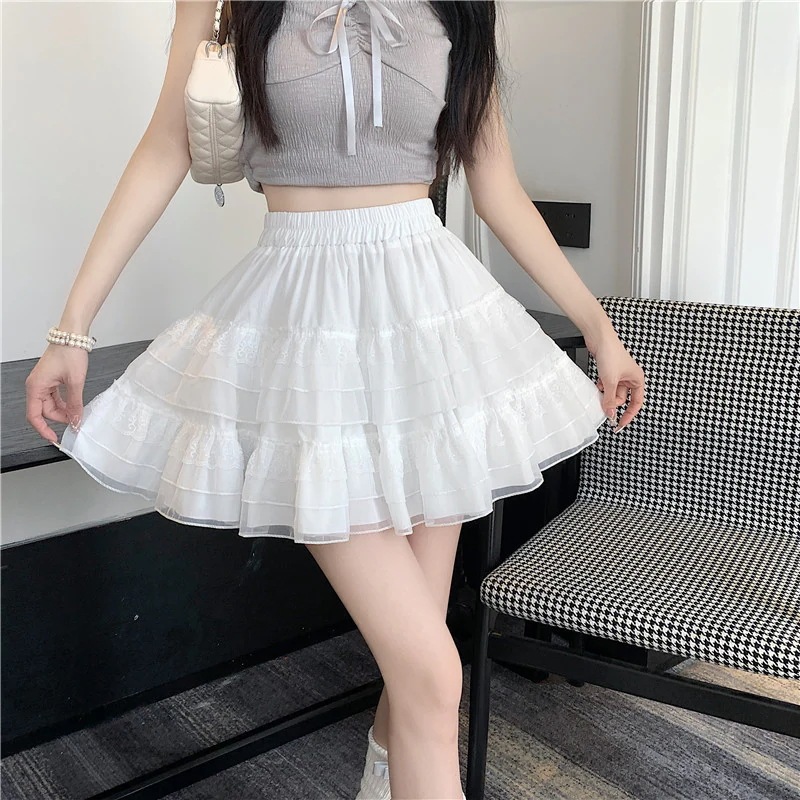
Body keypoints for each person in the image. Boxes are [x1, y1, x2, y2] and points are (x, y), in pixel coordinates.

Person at [24, 1, 646, 798]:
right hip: (305, 326)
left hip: (432, 330)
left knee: (417, 657)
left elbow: (495, 181)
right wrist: (72, 327)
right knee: (433, 673)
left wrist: (599, 328)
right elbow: (165, 147)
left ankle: (385, 767)